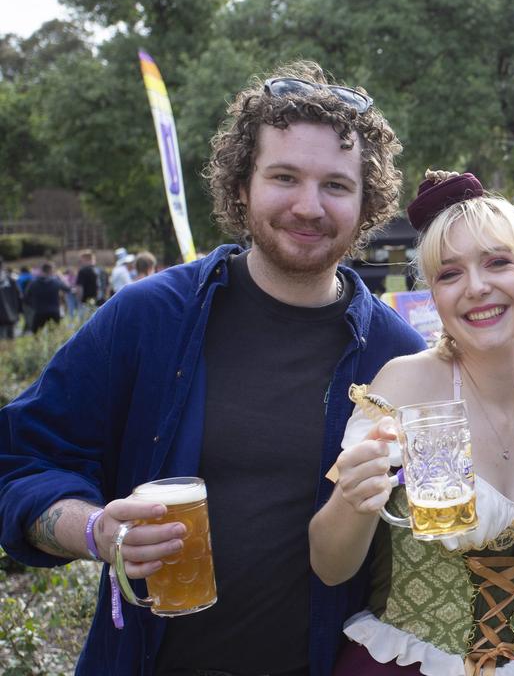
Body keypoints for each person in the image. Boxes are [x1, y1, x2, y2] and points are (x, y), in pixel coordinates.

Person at [0, 61, 424, 676]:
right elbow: (19, 461)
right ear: (242, 186)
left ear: (366, 203)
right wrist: (95, 530)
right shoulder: (149, 318)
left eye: (336, 185)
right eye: (284, 177)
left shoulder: (395, 354)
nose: (309, 206)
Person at [310, 171, 514, 676]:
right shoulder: (406, 387)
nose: (476, 288)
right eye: (449, 274)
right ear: (433, 295)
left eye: (498, 263)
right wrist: (352, 499)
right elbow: (330, 566)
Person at [22, 261, 71, 333]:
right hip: (54, 311)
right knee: (55, 335)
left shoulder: (33, 283)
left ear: (42, 270)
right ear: (51, 270)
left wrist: (33, 305)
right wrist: (61, 277)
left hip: (39, 311)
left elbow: (26, 298)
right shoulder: (56, 282)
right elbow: (68, 289)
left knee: (36, 334)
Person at [0, 258, 21, 339]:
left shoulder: (11, 279)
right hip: (12, 315)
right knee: (11, 342)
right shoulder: (11, 279)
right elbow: (19, 296)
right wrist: (19, 311)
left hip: (5, 318)